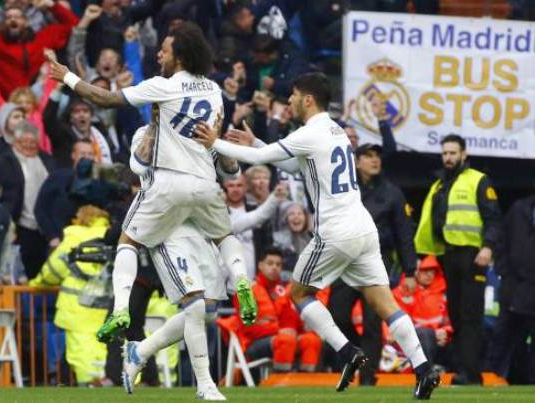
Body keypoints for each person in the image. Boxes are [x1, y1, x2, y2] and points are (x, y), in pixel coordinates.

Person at [194, 72, 440, 399]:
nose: (290, 101)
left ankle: (346, 352)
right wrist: (256, 142)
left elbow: (259, 160)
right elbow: (296, 166)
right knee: (384, 303)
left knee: (299, 293)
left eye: (294, 95)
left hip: (336, 230)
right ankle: (423, 368)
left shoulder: (310, 132)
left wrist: (214, 142)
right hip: (363, 228)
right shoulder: (335, 131)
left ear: (308, 99)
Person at [47, 21, 257, 341]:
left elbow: (105, 99)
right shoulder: (214, 90)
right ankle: (241, 279)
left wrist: (68, 77)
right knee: (224, 236)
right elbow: (217, 149)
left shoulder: (164, 86)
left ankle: (120, 310)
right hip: (206, 182)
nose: (159, 54)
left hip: (168, 184)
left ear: (180, 57)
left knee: (127, 242)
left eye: (165, 50)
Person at [119, 123, 228, 400]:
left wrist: (217, 141)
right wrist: (156, 128)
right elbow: (139, 166)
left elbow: (229, 171)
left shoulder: (195, 130)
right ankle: (205, 385)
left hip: (198, 225)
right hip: (166, 227)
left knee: (208, 310)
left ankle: (140, 351)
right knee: (195, 304)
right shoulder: (144, 132)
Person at [414, 134, 502, 385]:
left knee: (470, 315)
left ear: (464, 154)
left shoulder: (478, 180)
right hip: (448, 255)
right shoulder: (440, 184)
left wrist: (488, 247)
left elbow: (494, 218)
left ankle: (471, 374)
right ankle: (464, 369)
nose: (448, 158)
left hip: (473, 255)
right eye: (445, 153)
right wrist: (423, 255)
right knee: (455, 315)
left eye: (453, 153)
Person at [327, 142, 418, 384]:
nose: (374, 159)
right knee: (336, 315)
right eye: (368, 156)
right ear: (357, 162)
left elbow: (404, 232)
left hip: (377, 259)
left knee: (372, 321)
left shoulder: (392, 193)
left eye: (377, 155)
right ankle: (359, 351)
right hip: (346, 260)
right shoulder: (344, 189)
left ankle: (368, 377)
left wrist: (410, 270)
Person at [29, 205, 111, 387]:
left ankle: (89, 386)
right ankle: (109, 383)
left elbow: (54, 270)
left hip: (77, 308)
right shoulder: (113, 237)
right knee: (104, 349)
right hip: (107, 308)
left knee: (81, 352)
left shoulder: (74, 237)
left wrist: (36, 283)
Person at [223, 248, 322, 373]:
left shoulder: (282, 291)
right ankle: (281, 381)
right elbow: (249, 329)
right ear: (260, 265)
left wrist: (293, 328)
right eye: (270, 263)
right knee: (286, 340)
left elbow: (291, 321)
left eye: (278, 264)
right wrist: (278, 329)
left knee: (311, 340)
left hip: (281, 339)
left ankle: (305, 382)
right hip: (252, 343)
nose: (274, 267)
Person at [0, 121, 55, 278]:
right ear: (15, 142)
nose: (29, 146)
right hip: (18, 226)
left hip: (45, 229)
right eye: (25, 142)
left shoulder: (48, 161)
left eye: (33, 142)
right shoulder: (0, 162)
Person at [492, 191, 535, 383]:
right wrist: (503, 271)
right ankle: (493, 378)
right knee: (503, 337)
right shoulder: (518, 209)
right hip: (514, 287)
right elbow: (502, 240)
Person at [392, 256, 452, 364]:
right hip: (410, 341)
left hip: (440, 339)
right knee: (425, 335)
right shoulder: (401, 293)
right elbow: (401, 325)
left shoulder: (443, 293)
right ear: (415, 272)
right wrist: (434, 333)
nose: (429, 275)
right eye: (425, 271)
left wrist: (445, 331)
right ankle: (426, 371)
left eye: (432, 272)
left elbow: (450, 320)